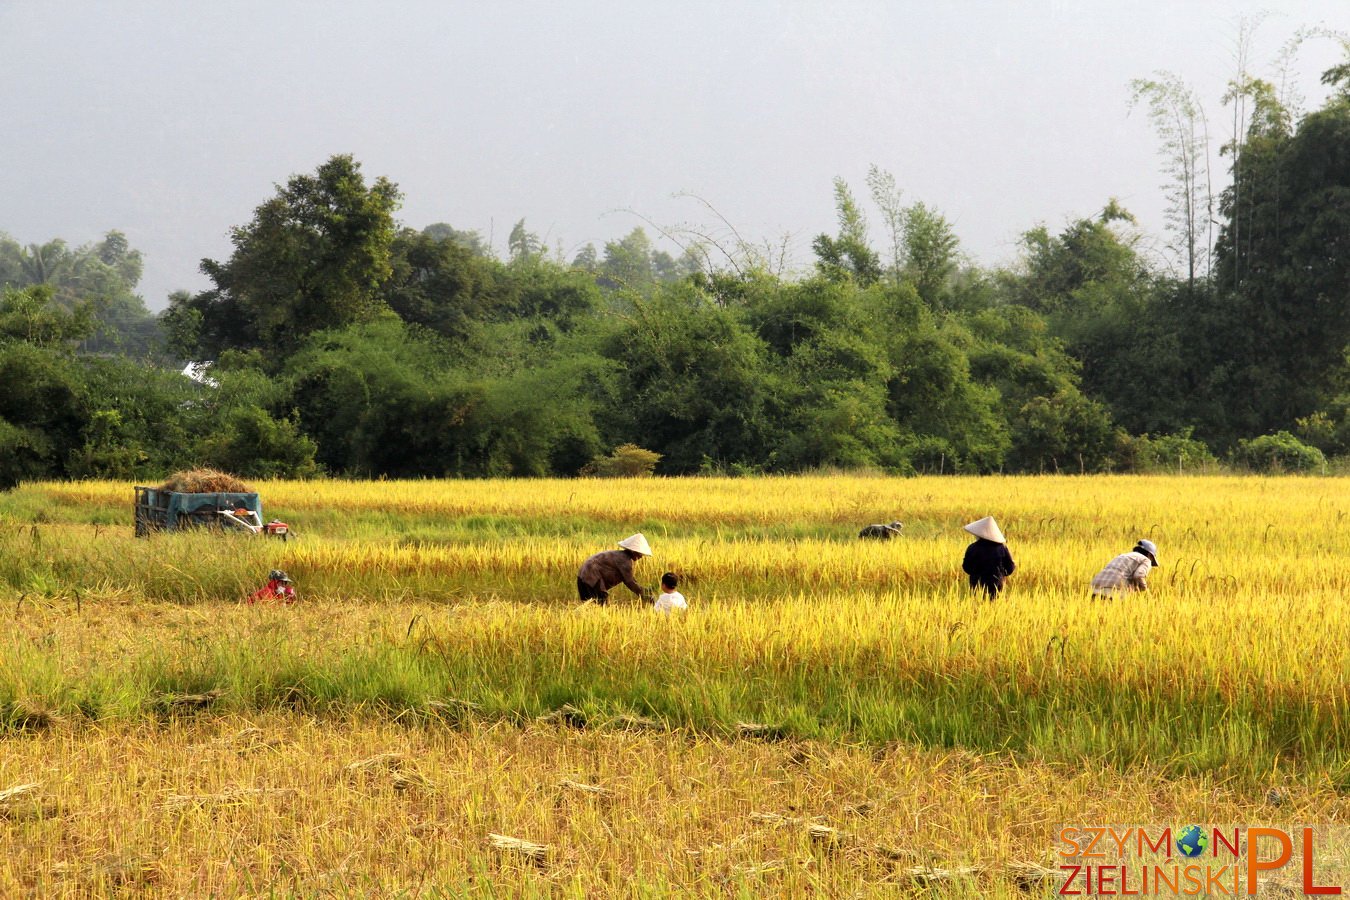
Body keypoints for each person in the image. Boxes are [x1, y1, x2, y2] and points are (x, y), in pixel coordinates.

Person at [577, 533, 654, 605]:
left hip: (583, 574)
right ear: (633, 551)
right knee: (601, 602)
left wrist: (644, 591)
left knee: (589, 604)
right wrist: (645, 595)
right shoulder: (625, 560)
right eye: (640, 554)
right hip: (592, 575)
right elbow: (630, 582)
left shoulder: (620, 555)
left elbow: (632, 580)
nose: (641, 556)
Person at [961, 516, 1015, 598]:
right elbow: (1010, 567)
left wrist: (976, 573)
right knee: (995, 607)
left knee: (978, 607)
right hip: (997, 584)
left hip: (977, 584)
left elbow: (966, 567)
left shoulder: (972, 548)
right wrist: (1000, 574)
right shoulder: (1002, 548)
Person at [1091, 539, 1160, 598]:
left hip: (1095, 586)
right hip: (1115, 588)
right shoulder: (1146, 560)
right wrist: (1145, 590)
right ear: (1150, 555)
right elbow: (1138, 575)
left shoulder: (1122, 555)